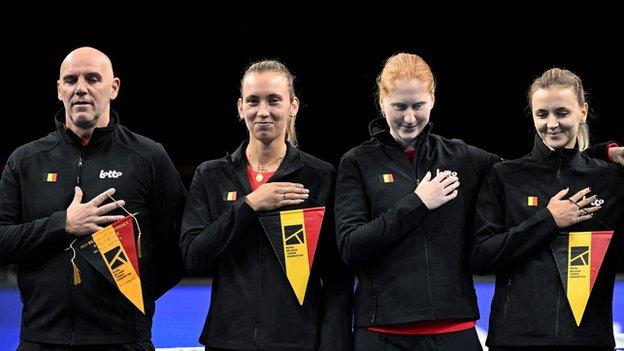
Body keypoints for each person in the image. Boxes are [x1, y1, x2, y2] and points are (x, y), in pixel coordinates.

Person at [334, 53, 622, 351]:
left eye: (418, 105)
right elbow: (351, 246)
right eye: (399, 106)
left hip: (455, 331)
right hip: (382, 331)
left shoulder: (462, 158)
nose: (409, 117)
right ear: (381, 102)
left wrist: (601, 154)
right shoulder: (357, 162)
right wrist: (418, 202)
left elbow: (535, 168)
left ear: (432, 99)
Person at [0, 47, 187, 350]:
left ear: (113, 88)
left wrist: (135, 295)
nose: (81, 89)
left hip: (124, 340)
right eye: (71, 80)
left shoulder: (149, 157)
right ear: (59, 90)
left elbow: (181, 246)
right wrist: (63, 224)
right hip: (42, 339)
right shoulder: (25, 161)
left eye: (93, 78)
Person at [180, 60, 352, 351]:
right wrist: (249, 205)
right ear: (240, 107)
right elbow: (194, 257)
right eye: (253, 101)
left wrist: (333, 344)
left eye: (274, 100)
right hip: (227, 340)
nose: (263, 111)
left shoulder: (320, 176)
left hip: (297, 342)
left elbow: (337, 276)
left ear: (293, 105)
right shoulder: (211, 175)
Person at [471, 68, 623, 350]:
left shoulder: (610, 179)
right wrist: (548, 220)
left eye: (562, 113)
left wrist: (606, 152)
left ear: (583, 112)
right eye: (542, 114)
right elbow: (480, 257)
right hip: (515, 340)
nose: (551, 124)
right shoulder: (505, 176)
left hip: (589, 340)